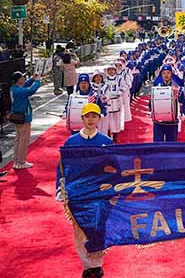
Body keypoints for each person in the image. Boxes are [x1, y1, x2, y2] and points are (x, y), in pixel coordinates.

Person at [57, 103, 113, 278]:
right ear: (81, 119)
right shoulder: (71, 142)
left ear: (99, 119)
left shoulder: (106, 141)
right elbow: (61, 167)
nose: (90, 120)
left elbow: (114, 168)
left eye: (94, 116)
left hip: (98, 194)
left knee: (98, 228)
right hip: (77, 194)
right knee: (79, 230)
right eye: (87, 116)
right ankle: (86, 265)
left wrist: (112, 188)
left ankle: (97, 264)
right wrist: (60, 186)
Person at [9, 71, 41, 169]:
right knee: (23, 140)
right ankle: (21, 162)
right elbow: (31, 90)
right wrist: (37, 81)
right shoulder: (19, 91)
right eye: (22, 77)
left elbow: (25, 85)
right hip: (23, 117)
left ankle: (16, 160)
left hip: (17, 116)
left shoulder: (14, 88)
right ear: (18, 80)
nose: (24, 79)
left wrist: (32, 79)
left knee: (18, 139)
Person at [151, 64, 185, 142]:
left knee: (171, 145)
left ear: (171, 74)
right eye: (164, 73)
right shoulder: (156, 88)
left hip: (172, 122)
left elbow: (183, 102)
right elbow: (151, 102)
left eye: (168, 73)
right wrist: (151, 111)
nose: (166, 75)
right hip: (159, 122)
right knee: (158, 143)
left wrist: (183, 113)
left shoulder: (178, 89)